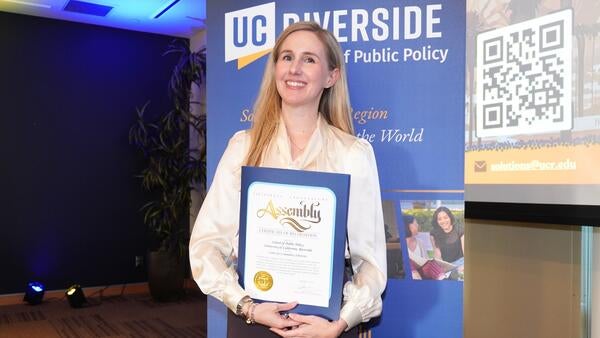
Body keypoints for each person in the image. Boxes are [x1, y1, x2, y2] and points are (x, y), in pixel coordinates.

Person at [189, 21, 387, 338]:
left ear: (331, 76)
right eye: (287, 57)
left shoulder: (353, 154)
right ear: (275, 68)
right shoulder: (243, 147)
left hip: (327, 324)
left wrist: (341, 322)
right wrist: (246, 306)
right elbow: (206, 245)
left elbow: (370, 263)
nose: (295, 69)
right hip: (255, 319)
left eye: (309, 59)